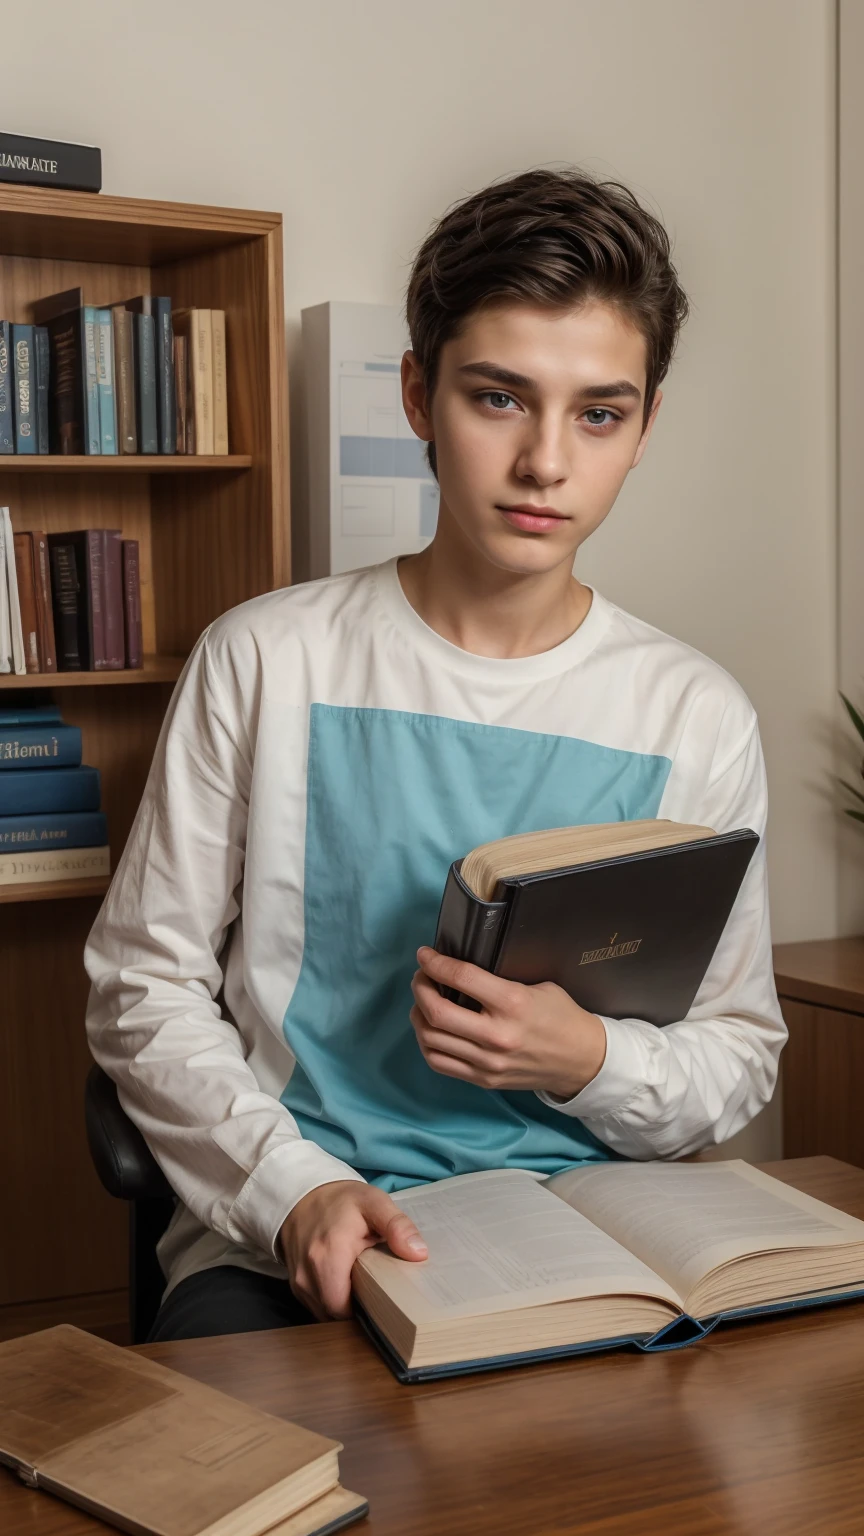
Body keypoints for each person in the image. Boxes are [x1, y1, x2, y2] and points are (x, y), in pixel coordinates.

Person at [84, 167, 786, 1342]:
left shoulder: (694, 713)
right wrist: (289, 1189)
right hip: (291, 1237)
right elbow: (140, 990)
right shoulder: (266, 659)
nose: (546, 464)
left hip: (589, 1238)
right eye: (500, 399)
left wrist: (588, 1057)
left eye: (599, 413)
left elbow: (736, 1050)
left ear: (645, 428)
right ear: (419, 393)